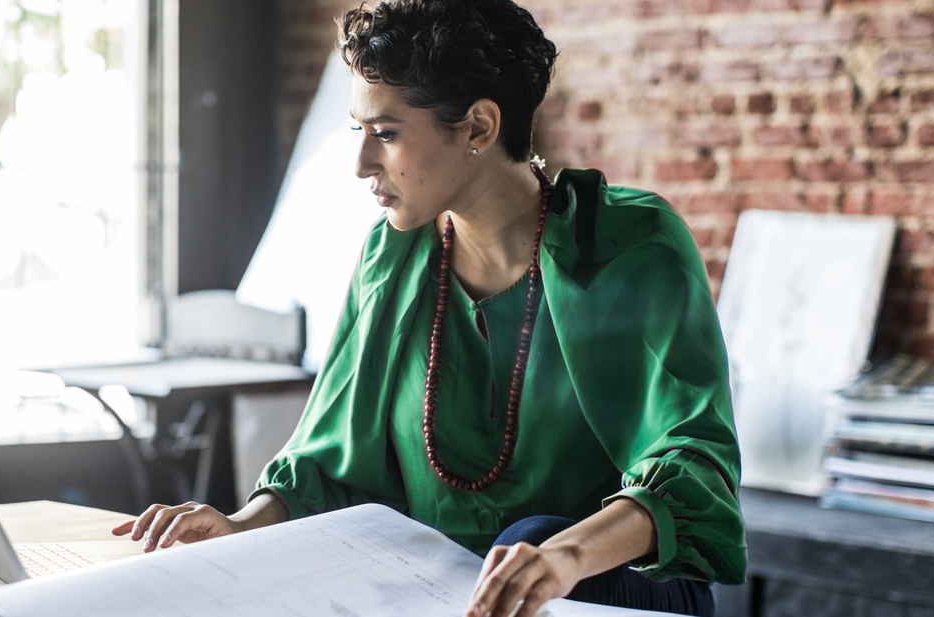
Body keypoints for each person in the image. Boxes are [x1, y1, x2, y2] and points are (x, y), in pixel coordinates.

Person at [112, 1, 745, 615]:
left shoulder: (632, 244)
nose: (361, 163)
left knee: (528, 535)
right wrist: (239, 524)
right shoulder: (392, 257)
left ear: (477, 127)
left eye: (385, 134)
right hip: (433, 593)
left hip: (607, 584)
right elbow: (333, 462)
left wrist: (562, 556)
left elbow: (693, 461)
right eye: (360, 131)